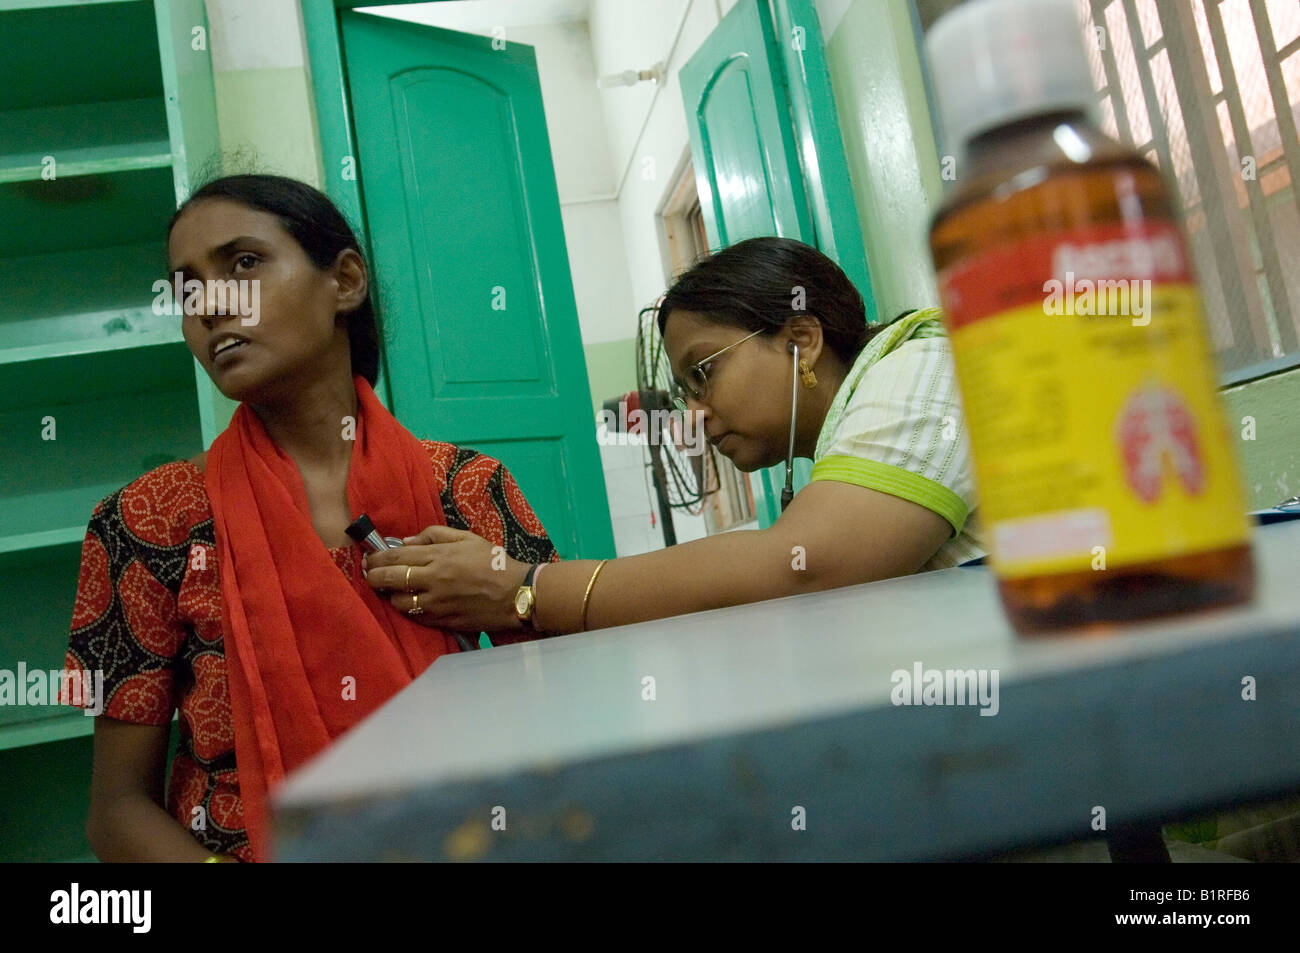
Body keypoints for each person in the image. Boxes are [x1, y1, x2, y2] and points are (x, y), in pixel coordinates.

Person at [61, 174, 558, 862]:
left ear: (345, 280)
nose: (210, 305)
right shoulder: (147, 522)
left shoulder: (468, 489)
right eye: (186, 290)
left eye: (243, 263)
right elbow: (116, 811)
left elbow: (561, 723)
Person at [364, 237, 986, 635]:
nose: (693, 414)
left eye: (704, 372)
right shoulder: (859, 423)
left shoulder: (924, 368)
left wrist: (524, 590)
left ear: (802, 339)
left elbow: (807, 565)